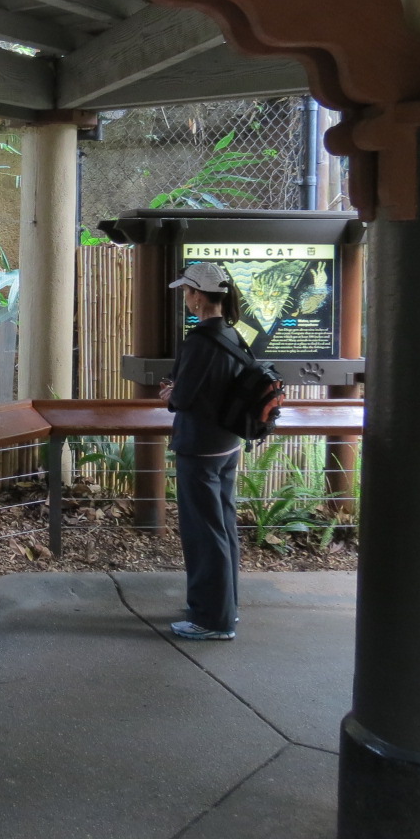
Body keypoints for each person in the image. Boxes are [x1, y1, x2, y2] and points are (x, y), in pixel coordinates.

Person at [160, 261, 246, 641]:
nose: (185, 298)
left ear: (197, 295)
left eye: (186, 292)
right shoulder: (232, 334)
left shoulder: (199, 341)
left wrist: (169, 394)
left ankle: (212, 619)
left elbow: (183, 396)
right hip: (227, 444)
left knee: (203, 531)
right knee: (223, 525)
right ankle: (226, 606)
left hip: (200, 446)